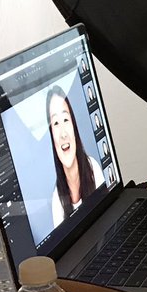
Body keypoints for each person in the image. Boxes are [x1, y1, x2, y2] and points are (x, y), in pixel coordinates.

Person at [47, 85, 105, 227]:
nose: (63, 134)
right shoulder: (57, 200)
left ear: (74, 128)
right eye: (55, 123)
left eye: (66, 120)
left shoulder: (93, 169)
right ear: (52, 137)